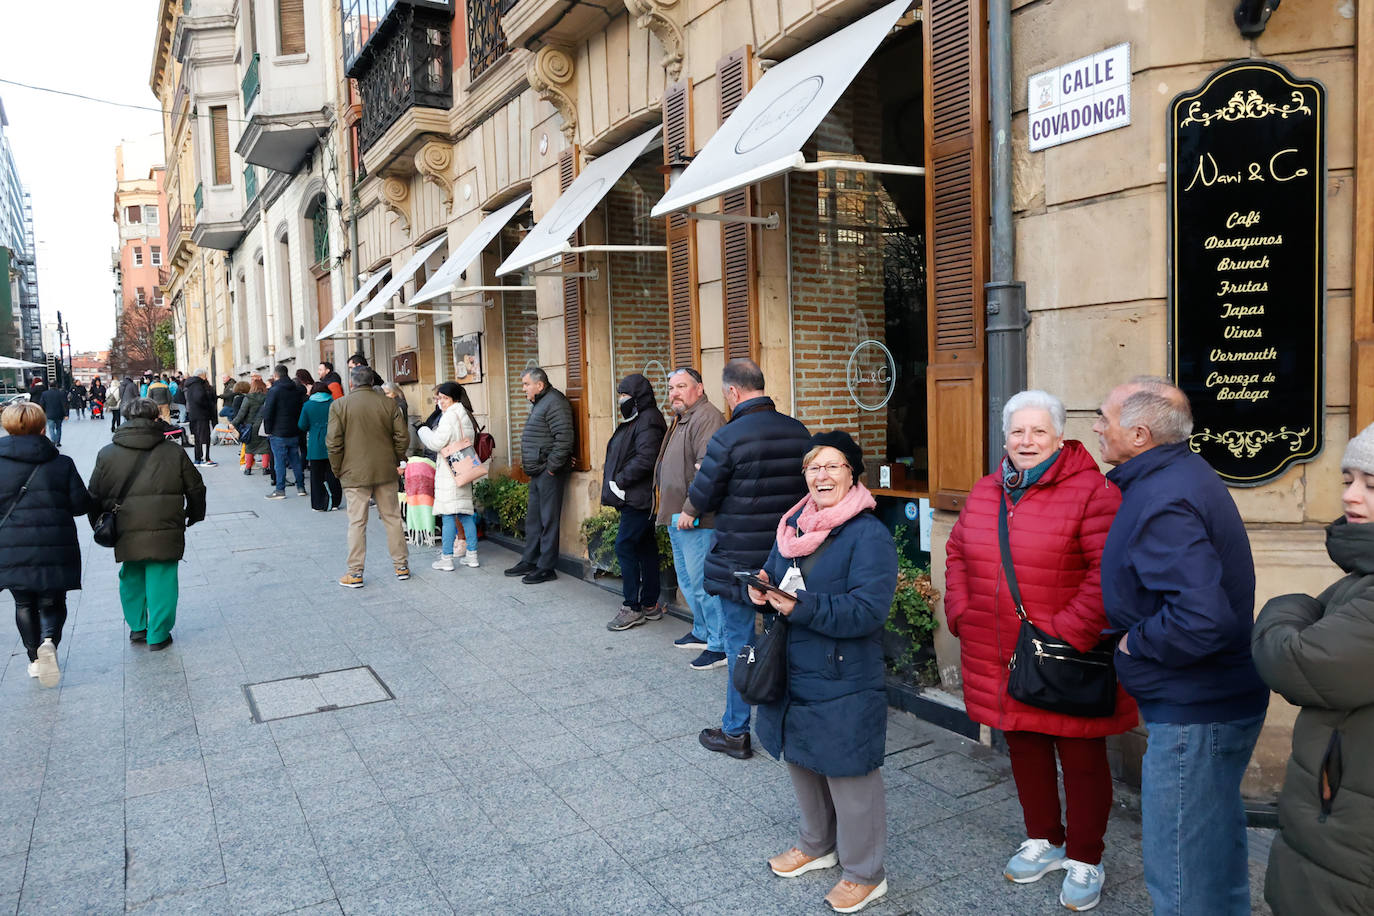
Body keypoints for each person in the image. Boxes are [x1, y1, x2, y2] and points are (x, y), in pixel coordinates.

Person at [944, 390, 1137, 911]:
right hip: (996, 648)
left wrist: (1068, 631)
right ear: (1004, 438)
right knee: (1025, 749)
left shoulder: (1092, 492)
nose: (1026, 441)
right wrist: (959, 608)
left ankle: (1085, 857)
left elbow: (1109, 574)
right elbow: (958, 549)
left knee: (1080, 756)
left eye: (1037, 431)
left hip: (1062, 654)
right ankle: (1046, 840)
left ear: (1058, 435)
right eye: (1016, 432)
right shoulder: (987, 491)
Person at [1094, 376, 1268, 916]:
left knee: (1182, 875)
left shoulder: (1165, 496)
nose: (1097, 428)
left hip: (1197, 711)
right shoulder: (1175, 475)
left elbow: (1202, 619)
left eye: (1105, 418)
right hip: (1212, 703)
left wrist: (1131, 643)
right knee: (1212, 853)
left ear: (1140, 434)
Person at [746, 431, 896, 914]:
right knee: (802, 758)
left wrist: (799, 606)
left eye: (833, 466)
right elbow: (776, 576)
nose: (821, 475)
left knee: (849, 771)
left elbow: (867, 611)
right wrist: (762, 590)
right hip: (792, 664)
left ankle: (865, 873)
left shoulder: (868, 533)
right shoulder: (793, 526)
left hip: (842, 674)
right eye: (813, 466)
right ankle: (816, 844)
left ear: (853, 473)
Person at [1251, 423, 1374, 915]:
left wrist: (1286, 604)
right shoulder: (1362, 576)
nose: (1353, 496)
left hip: (1350, 836)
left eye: (1372, 484)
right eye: (1348, 480)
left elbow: (1295, 659)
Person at [687, 358, 811, 759]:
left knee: (743, 644)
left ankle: (736, 731)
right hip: (785, 556)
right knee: (786, 639)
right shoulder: (798, 432)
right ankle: (789, 726)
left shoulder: (727, 437)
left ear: (732, 393)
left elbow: (702, 498)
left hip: (738, 558)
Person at [87, 397, 206, 651]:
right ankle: (158, 634)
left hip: (124, 524)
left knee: (131, 573)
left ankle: (137, 628)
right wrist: (194, 514)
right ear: (155, 418)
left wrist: (98, 524)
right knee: (162, 575)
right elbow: (196, 487)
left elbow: (93, 495)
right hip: (165, 523)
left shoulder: (107, 453)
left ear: (127, 418)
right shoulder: (173, 451)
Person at [0, 402, 92, 687]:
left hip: (10, 543)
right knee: (53, 599)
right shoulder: (61, 463)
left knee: (24, 601)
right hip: (55, 542)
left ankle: (35, 659)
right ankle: (49, 640)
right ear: (42, 427)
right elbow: (80, 505)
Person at [655, 367, 728, 668]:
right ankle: (701, 631)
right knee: (687, 581)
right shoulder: (681, 418)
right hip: (677, 517)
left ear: (699, 388)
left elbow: (707, 470)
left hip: (696, 519)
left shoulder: (707, 417)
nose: (674, 393)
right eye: (671, 388)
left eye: (681, 387)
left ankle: (720, 644)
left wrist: (690, 509)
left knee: (702, 583)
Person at [327, 365, 410, 588]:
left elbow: (333, 442)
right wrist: (397, 458)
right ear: (372, 381)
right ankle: (401, 566)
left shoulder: (340, 405)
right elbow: (402, 436)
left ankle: (355, 573)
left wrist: (337, 469)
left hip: (353, 472)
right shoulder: (388, 403)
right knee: (392, 518)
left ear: (351, 382)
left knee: (356, 522)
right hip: (385, 469)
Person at [602, 374, 668, 631]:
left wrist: (619, 481)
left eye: (625, 395)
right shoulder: (639, 418)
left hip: (638, 498)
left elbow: (646, 458)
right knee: (644, 547)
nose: (621, 400)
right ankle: (650, 603)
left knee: (625, 546)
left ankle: (633, 606)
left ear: (637, 396)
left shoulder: (648, 419)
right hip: (634, 496)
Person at [504, 367, 575, 585]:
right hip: (538, 472)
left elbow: (564, 438)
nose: (523, 389)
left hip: (548, 472)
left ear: (540, 385)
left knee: (548, 520)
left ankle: (546, 567)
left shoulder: (555, 402)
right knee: (534, 520)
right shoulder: (541, 403)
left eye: (526, 384)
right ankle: (530, 560)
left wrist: (552, 467)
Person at [417, 382, 482, 570]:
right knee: (465, 514)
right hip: (464, 467)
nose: (441, 402)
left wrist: (423, 430)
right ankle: (472, 556)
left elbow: (437, 443)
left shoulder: (449, 416)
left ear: (453, 398)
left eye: (445, 398)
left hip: (449, 471)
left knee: (447, 515)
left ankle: (446, 559)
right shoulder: (464, 414)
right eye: (439, 398)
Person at [260, 365, 307, 500]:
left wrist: (268, 430)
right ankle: (301, 487)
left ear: (276, 375)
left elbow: (268, 412)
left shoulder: (274, 390)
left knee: (279, 462)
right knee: (295, 460)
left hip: (278, 431)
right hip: (294, 430)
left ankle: (280, 490)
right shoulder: (296, 389)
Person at [298, 382, 342, 512]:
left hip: (315, 444)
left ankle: (318, 504)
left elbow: (302, 425)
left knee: (316, 476)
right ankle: (335, 502)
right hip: (333, 442)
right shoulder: (334, 404)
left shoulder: (307, 405)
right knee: (333, 473)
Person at [232, 377, 271, 476]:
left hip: (251, 427)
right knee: (265, 448)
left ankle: (248, 468)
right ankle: (265, 468)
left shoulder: (248, 398)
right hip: (264, 426)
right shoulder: (267, 397)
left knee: (250, 448)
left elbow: (241, 414)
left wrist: (233, 423)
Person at [183, 368, 218, 468]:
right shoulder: (198, 385)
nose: (206, 377)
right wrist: (207, 405)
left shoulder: (190, 385)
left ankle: (198, 458)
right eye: (205, 375)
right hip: (201, 415)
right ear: (201, 375)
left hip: (194, 414)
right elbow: (199, 398)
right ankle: (204, 459)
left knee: (198, 437)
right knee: (204, 437)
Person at [36, 381, 68, 446]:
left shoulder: (44, 394)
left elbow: (42, 404)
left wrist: (42, 412)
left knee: (51, 428)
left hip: (49, 414)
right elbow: (65, 404)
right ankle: (58, 442)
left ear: (49, 386)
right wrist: (66, 414)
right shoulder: (61, 393)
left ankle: (53, 441)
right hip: (59, 414)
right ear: (56, 385)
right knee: (59, 428)